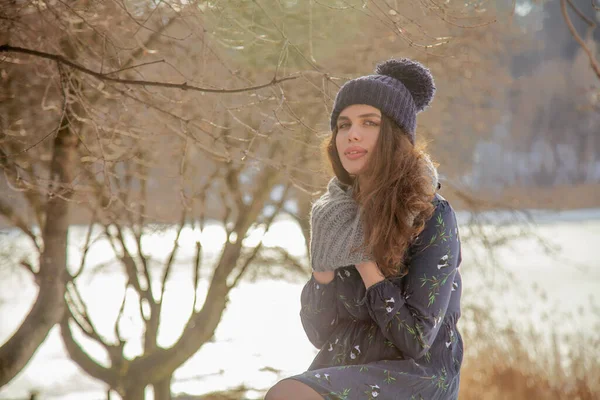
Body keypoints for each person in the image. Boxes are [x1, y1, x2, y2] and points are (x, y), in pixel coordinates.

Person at [265, 58, 463, 400]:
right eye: (343, 125)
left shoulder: (430, 215)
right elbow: (319, 333)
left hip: (414, 374)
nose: (351, 134)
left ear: (395, 136)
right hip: (346, 365)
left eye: (368, 122)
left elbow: (416, 339)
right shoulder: (333, 216)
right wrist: (323, 267)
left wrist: (363, 260)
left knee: (289, 394)